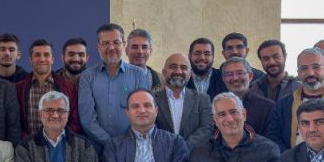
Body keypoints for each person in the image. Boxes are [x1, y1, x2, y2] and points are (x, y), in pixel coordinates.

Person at [267, 47, 324, 152]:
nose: (310, 73)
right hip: (290, 160)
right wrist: (291, 158)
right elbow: (273, 137)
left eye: (316, 67)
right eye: (304, 68)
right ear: (298, 72)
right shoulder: (283, 104)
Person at [79, 23, 152, 151]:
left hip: (131, 148)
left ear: (123, 45)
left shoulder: (139, 75)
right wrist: (110, 143)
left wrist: (125, 143)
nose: (111, 47)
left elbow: (143, 113)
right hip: (97, 149)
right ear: (98, 47)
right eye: (105, 43)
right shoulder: (87, 77)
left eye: (116, 42)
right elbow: (87, 119)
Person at [14, 40, 80, 138]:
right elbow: (15, 123)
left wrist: (58, 140)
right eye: (37, 55)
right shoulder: (18, 89)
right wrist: (27, 142)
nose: (42, 59)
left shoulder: (69, 88)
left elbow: (74, 122)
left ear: (52, 59)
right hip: (27, 145)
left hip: (59, 144)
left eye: (46, 55)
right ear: (30, 59)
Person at [154, 53, 214, 150]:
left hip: (193, 155)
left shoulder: (202, 100)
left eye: (184, 68)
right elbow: (150, 128)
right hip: (162, 154)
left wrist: (183, 147)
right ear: (164, 72)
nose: (178, 71)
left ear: (189, 74)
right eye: (173, 67)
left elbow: (207, 128)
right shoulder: (152, 100)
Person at [220, 57, 274, 136]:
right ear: (224, 79)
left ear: (250, 76)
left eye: (240, 73)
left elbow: (271, 140)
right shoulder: (216, 107)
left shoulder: (268, 107)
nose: (235, 78)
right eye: (229, 74)